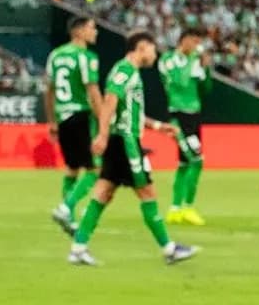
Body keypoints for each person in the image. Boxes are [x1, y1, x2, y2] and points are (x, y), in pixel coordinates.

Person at [67, 31, 198, 266]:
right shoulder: (124, 71)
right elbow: (110, 101)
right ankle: (169, 249)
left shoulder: (130, 72)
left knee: (103, 192)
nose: (155, 54)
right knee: (147, 192)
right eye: (152, 49)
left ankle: (78, 247)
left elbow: (131, 112)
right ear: (142, 47)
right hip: (125, 142)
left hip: (122, 140)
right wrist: (103, 135)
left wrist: (158, 126)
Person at [45, 15, 104, 235]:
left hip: (62, 116)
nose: (95, 31)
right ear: (78, 32)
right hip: (80, 115)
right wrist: (103, 121)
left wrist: (51, 121)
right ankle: (65, 207)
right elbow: (93, 90)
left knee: (72, 168)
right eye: (91, 28)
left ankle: (68, 216)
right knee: (95, 169)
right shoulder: (86, 57)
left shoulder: (55, 55)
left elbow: (48, 90)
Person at [158, 28, 209, 225]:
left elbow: (205, 89)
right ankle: (187, 207)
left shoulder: (196, 61)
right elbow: (178, 82)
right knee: (197, 159)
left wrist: (206, 70)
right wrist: (194, 63)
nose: (197, 46)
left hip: (194, 115)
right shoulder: (168, 60)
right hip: (178, 117)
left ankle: (174, 209)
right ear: (184, 40)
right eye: (194, 41)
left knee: (184, 163)